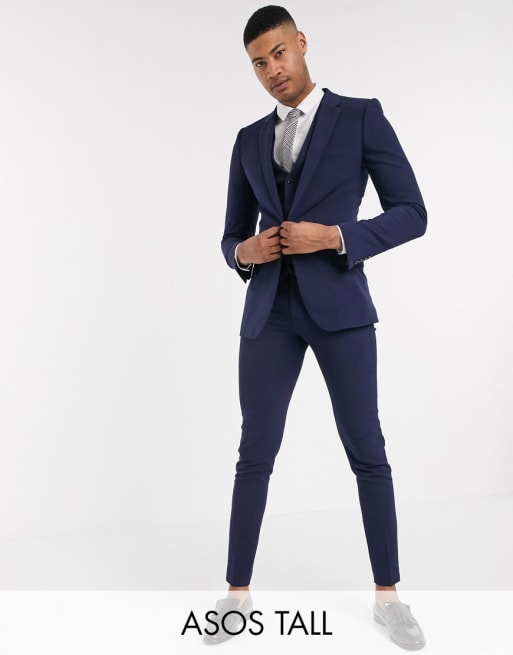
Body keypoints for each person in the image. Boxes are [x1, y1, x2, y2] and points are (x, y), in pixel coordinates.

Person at [207, 5, 427, 650]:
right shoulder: (248, 139)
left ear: (301, 44)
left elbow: (412, 212)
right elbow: (230, 235)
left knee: (367, 450)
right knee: (254, 453)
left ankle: (389, 598)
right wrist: (242, 253)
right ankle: (236, 596)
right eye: (258, 63)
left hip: (339, 309)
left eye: (279, 53)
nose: (272, 70)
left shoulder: (360, 116)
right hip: (270, 313)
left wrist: (335, 236)